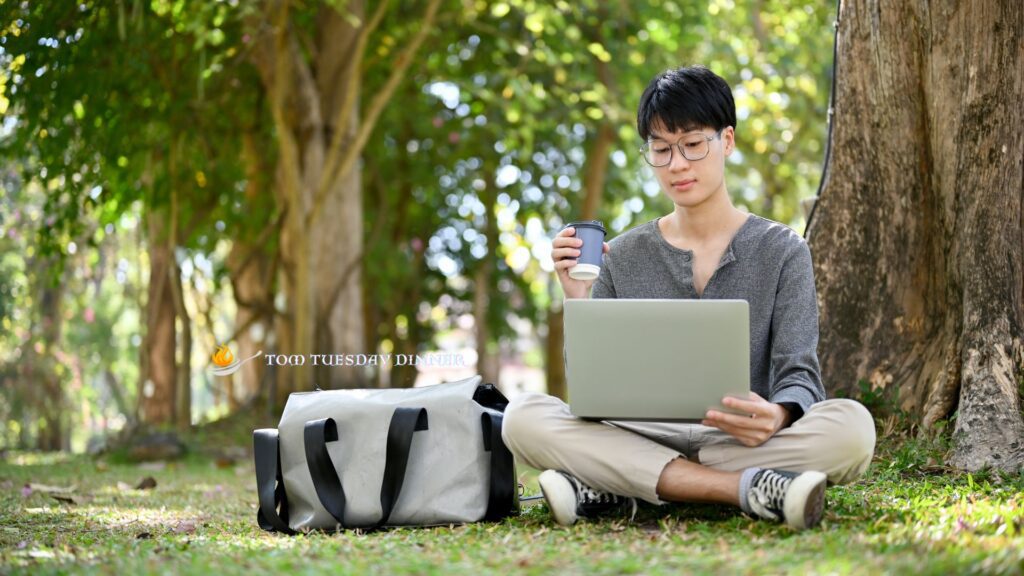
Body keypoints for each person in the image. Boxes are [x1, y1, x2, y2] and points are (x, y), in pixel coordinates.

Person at [501, 65, 875, 530]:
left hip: (740, 441)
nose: (677, 164)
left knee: (852, 429)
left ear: (728, 141)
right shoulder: (622, 256)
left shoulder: (783, 250)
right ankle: (747, 489)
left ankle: (618, 485)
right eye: (661, 150)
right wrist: (577, 299)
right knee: (521, 417)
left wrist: (778, 415)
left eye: (693, 144)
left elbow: (799, 372)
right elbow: (592, 395)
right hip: (642, 433)